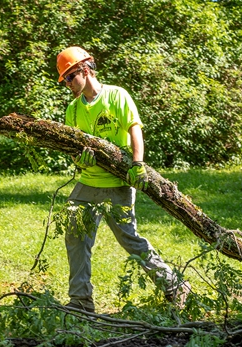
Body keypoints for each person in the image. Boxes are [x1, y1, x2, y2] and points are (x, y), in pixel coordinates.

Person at [56, 46, 191, 313]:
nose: (67, 84)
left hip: (117, 184)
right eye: (65, 80)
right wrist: (78, 160)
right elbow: (73, 148)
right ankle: (80, 301)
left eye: (70, 77)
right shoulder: (72, 110)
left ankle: (175, 286)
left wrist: (138, 164)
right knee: (75, 236)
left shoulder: (117, 95)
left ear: (85, 70)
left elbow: (134, 129)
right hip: (88, 184)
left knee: (130, 240)